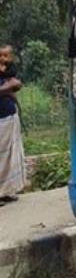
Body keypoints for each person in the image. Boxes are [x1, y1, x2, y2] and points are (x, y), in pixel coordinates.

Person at [0, 45, 25, 203]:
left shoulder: (9, 69)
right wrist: (9, 87)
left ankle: (6, 191)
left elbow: (15, 83)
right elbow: (12, 85)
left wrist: (11, 86)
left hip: (8, 117)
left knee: (9, 156)